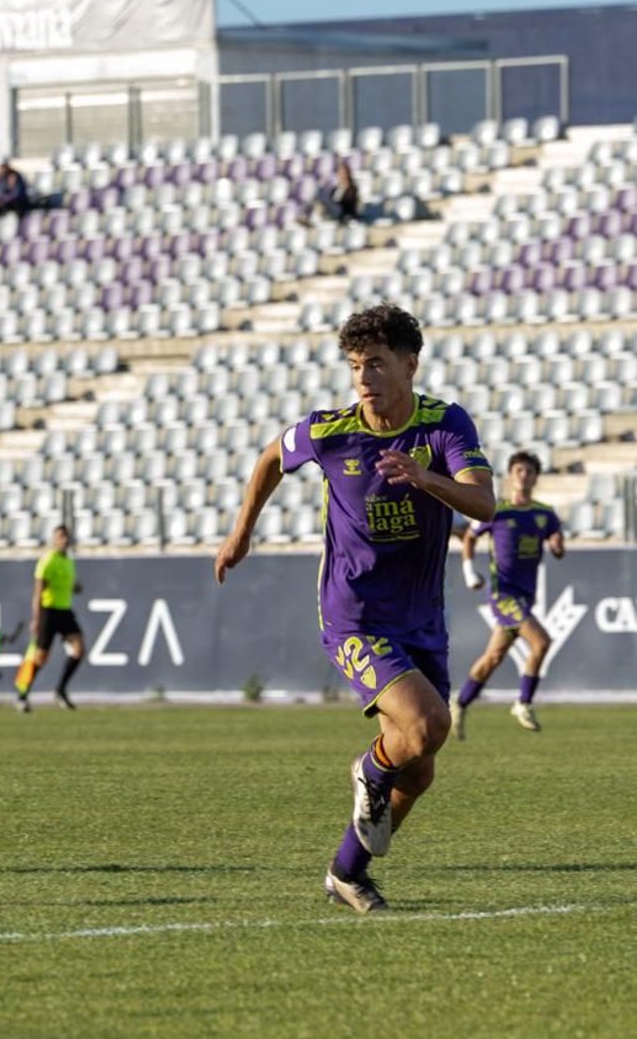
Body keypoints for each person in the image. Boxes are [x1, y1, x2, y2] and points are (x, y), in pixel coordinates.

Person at [215, 303, 495, 914]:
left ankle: (346, 872)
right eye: (355, 365)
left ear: (409, 365)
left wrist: (425, 478)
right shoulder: (330, 431)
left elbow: (484, 504)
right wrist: (242, 532)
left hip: (421, 618)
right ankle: (369, 770)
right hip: (354, 616)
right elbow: (269, 458)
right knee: (427, 727)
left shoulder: (444, 425)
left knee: (418, 770)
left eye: (376, 364)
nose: (364, 378)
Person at [451, 451, 565, 736]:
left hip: (525, 596)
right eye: (519, 471)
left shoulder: (545, 513)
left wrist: (557, 545)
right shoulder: (497, 511)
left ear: (536, 478)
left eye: (529, 471)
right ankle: (523, 702)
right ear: (511, 476)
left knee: (493, 657)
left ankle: (460, 703)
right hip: (504, 595)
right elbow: (470, 537)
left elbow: (557, 543)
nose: (524, 475)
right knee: (541, 642)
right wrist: (469, 571)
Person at [12, 526, 84, 713]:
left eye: (66, 536)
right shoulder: (48, 561)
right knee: (40, 658)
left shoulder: (68, 560)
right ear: (54, 539)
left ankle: (60, 689)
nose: (64, 539)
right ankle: (22, 695)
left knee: (79, 650)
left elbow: (68, 584)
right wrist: (36, 619)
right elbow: (38, 592)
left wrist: (75, 587)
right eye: (61, 536)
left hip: (65, 610)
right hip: (48, 611)